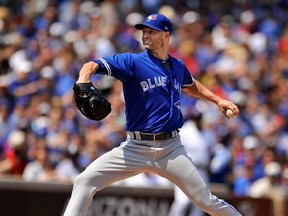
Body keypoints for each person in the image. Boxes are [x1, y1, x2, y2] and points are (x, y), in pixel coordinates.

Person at [63, 13, 242, 216]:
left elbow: (191, 85)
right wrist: (83, 78)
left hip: (171, 149)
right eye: (144, 31)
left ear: (166, 35)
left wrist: (218, 100)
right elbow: (91, 65)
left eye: (151, 31)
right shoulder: (132, 62)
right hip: (135, 147)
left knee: (205, 201)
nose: (145, 35)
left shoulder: (177, 66)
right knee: (85, 181)